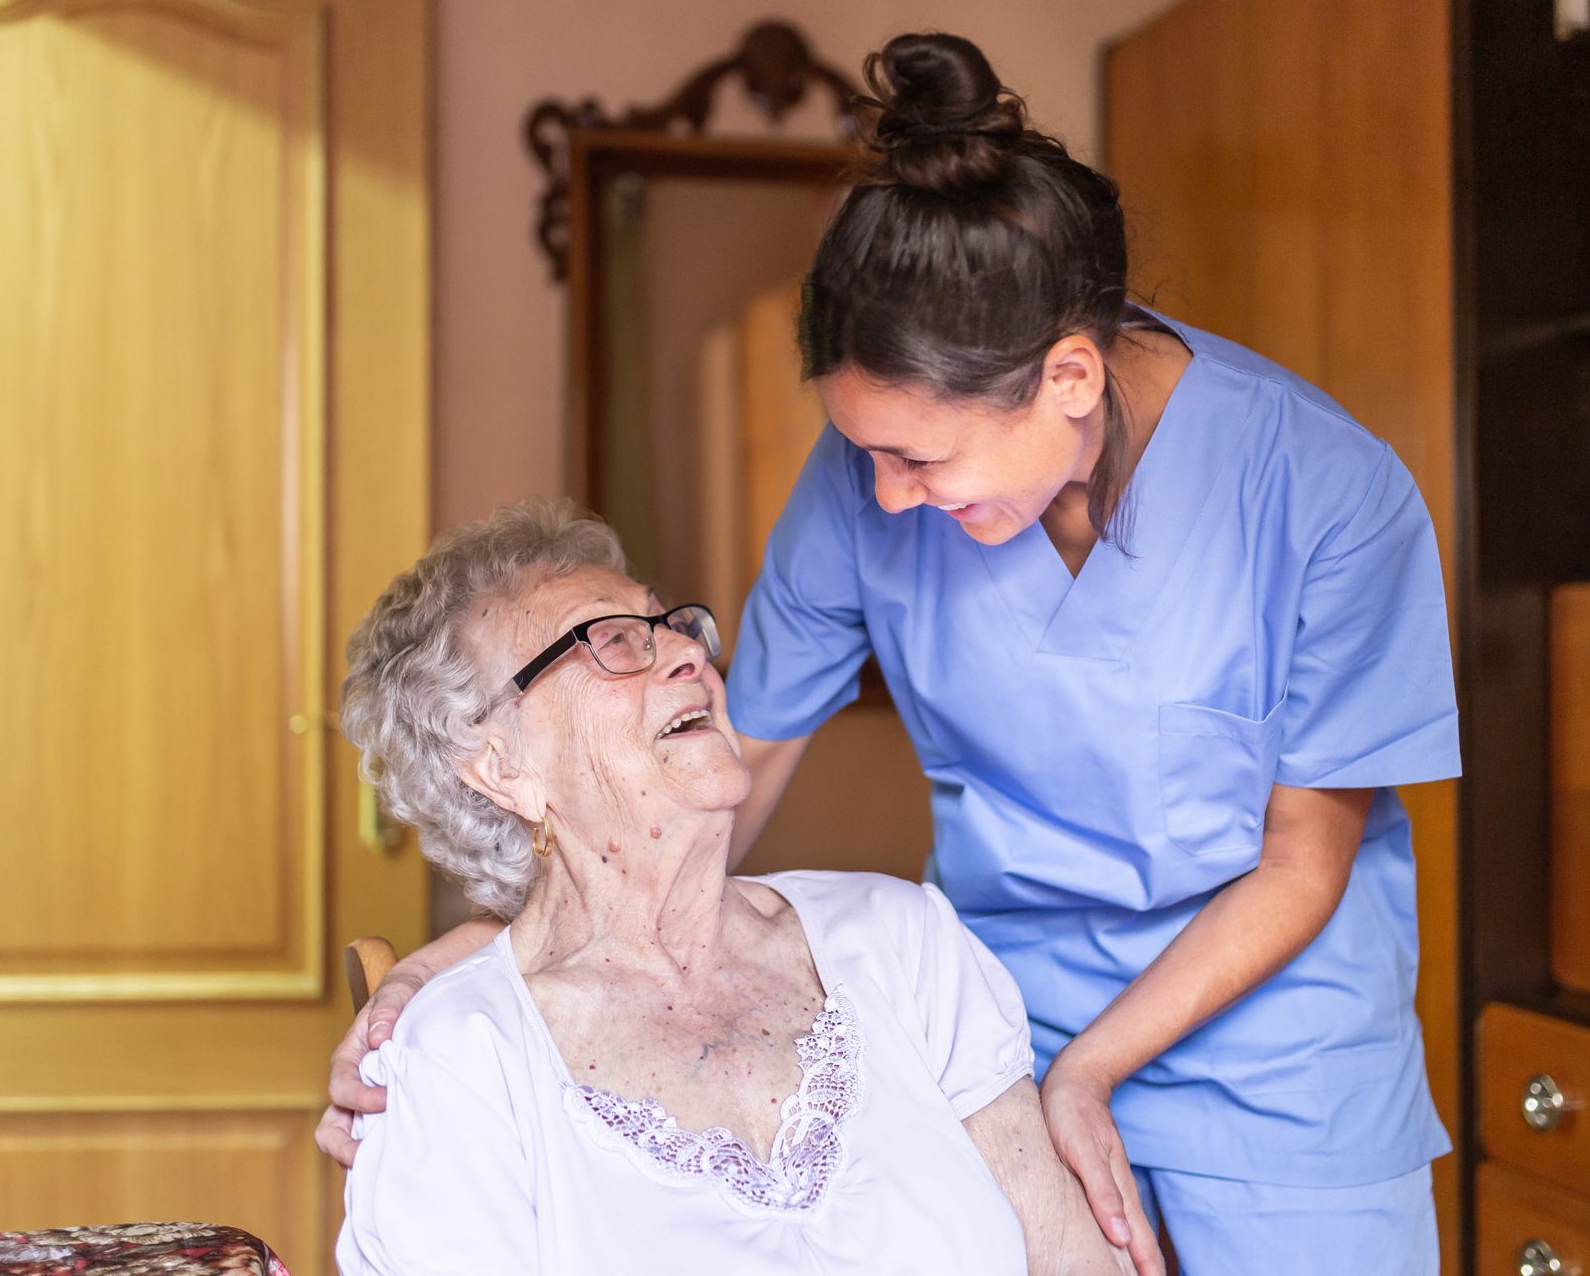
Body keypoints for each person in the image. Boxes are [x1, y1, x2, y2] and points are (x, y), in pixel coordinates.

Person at [323, 32, 1459, 1275]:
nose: (884, 493)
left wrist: (1091, 1068)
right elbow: (714, 774)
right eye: (861, 449)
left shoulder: (1330, 493)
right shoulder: (863, 489)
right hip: (997, 1030)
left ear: (1069, 377)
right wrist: (450, 974)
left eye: (920, 458)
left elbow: (1305, 861)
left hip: (1280, 1071)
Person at [329, 501, 1130, 1275]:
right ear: (502, 768)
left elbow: (1069, 1257)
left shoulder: (900, 938)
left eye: (672, 626)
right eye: (611, 642)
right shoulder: (462, 1058)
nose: (688, 655)